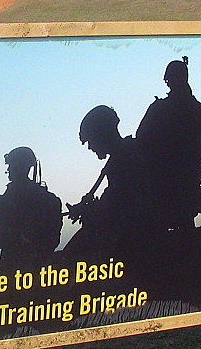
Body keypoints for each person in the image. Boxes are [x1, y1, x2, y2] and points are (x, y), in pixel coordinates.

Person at [64, 105, 150, 259]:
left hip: (131, 238)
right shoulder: (121, 156)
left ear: (102, 134)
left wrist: (90, 211)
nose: (90, 147)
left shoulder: (126, 158)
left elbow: (120, 207)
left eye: (91, 140)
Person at [136, 58, 201, 230]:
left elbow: (141, 137)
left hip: (169, 181)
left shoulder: (161, 109)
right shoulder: (190, 107)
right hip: (181, 180)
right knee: (184, 229)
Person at [0, 146, 63, 262]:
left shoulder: (33, 198)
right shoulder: (43, 197)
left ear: (20, 166)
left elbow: (40, 237)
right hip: (24, 259)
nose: (8, 169)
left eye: (11, 165)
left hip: (23, 261)